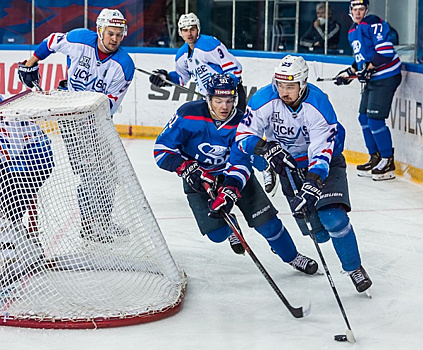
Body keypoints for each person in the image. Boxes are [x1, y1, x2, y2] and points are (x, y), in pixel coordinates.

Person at [154, 73, 318, 275]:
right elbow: (161, 150)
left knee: (268, 224)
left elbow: (241, 164)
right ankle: (231, 227)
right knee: (217, 234)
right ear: (208, 98)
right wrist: (184, 167)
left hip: (236, 178)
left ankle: (293, 257)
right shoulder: (188, 114)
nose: (224, 107)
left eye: (229, 101)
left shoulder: (243, 123)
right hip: (199, 181)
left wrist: (230, 190)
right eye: (218, 100)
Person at [235, 55, 372, 293]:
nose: (284, 91)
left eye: (290, 86)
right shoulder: (262, 100)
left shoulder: (319, 104)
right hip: (288, 167)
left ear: (303, 84)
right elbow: (243, 136)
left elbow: (322, 150)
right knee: (316, 234)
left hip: (323, 164)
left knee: (334, 218)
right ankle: (272, 171)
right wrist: (265, 148)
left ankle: (354, 268)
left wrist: (314, 180)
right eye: (280, 85)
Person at [17, 8, 135, 242]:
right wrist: (31, 63)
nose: (114, 39)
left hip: (96, 120)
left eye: (119, 34)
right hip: (71, 119)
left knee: (109, 172)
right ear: (99, 30)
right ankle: (89, 226)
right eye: (110, 33)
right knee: (91, 173)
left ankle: (101, 219)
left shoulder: (124, 66)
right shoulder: (79, 39)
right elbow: (50, 42)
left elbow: (109, 105)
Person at [334, 0, 401, 181]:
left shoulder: (373, 22)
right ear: (350, 11)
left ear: (367, 10)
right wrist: (348, 73)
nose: (358, 12)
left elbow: (385, 52)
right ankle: (375, 157)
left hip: (387, 77)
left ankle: (387, 160)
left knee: (375, 119)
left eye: (361, 9)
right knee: (363, 118)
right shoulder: (352, 32)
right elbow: (362, 60)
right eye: (355, 9)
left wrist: (369, 68)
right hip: (375, 79)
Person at [0, 93, 54, 288]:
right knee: (9, 213)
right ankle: (30, 249)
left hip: (31, 164)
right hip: (23, 162)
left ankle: (10, 260)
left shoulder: (6, 112)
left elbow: (11, 153)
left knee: (7, 213)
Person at [148, 13, 246, 112]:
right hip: (209, 100)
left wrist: (224, 89)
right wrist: (166, 79)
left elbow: (234, 68)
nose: (189, 34)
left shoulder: (208, 44)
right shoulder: (181, 55)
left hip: (230, 97)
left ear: (198, 29)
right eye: (185, 30)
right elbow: (182, 78)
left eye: (192, 29)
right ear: (180, 32)